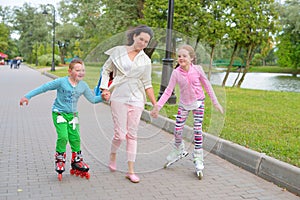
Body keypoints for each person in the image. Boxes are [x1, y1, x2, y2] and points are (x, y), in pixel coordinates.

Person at [19, 58, 103, 181]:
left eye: (83, 70)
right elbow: (44, 88)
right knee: (63, 137)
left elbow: (93, 99)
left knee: (75, 138)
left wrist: (103, 97)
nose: (81, 73)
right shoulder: (61, 82)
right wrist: (28, 96)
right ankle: (60, 159)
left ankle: (77, 161)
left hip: (73, 115)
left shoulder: (83, 86)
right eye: (77, 70)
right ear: (70, 71)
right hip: (59, 113)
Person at [150, 44, 224, 179]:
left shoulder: (198, 70)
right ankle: (178, 149)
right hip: (184, 105)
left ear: (191, 58)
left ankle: (198, 157)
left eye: (184, 56)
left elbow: (207, 85)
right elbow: (167, 92)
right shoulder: (176, 73)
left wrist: (215, 102)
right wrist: (157, 107)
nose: (181, 58)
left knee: (197, 130)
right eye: (179, 56)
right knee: (177, 129)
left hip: (198, 103)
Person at [100, 25, 157, 183]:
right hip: (118, 96)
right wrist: (104, 88)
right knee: (120, 134)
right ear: (134, 37)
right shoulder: (118, 51)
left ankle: (130, 170)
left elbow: (147, 83)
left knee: (132, 135)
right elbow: (106, 70)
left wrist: (155, 104)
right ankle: (113, 155)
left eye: (146, 42)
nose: (143, 43)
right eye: (141, 39)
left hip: (137, 99)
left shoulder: (145, 60)